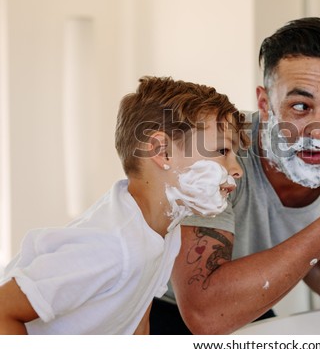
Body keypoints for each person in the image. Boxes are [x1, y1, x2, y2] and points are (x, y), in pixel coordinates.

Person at [150, 17, 320, 335]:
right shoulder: (216, 156)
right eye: (300, 105)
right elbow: (205, 313)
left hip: (248, 304)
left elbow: (307, 249)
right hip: (161, 310)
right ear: (265, 105)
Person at [0, 76, 246, 334]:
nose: (237, 170)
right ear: (163, 152)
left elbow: (136, 319)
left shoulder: (165, 230)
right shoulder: (111, 246)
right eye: (222, 151)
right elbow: (3, 310)